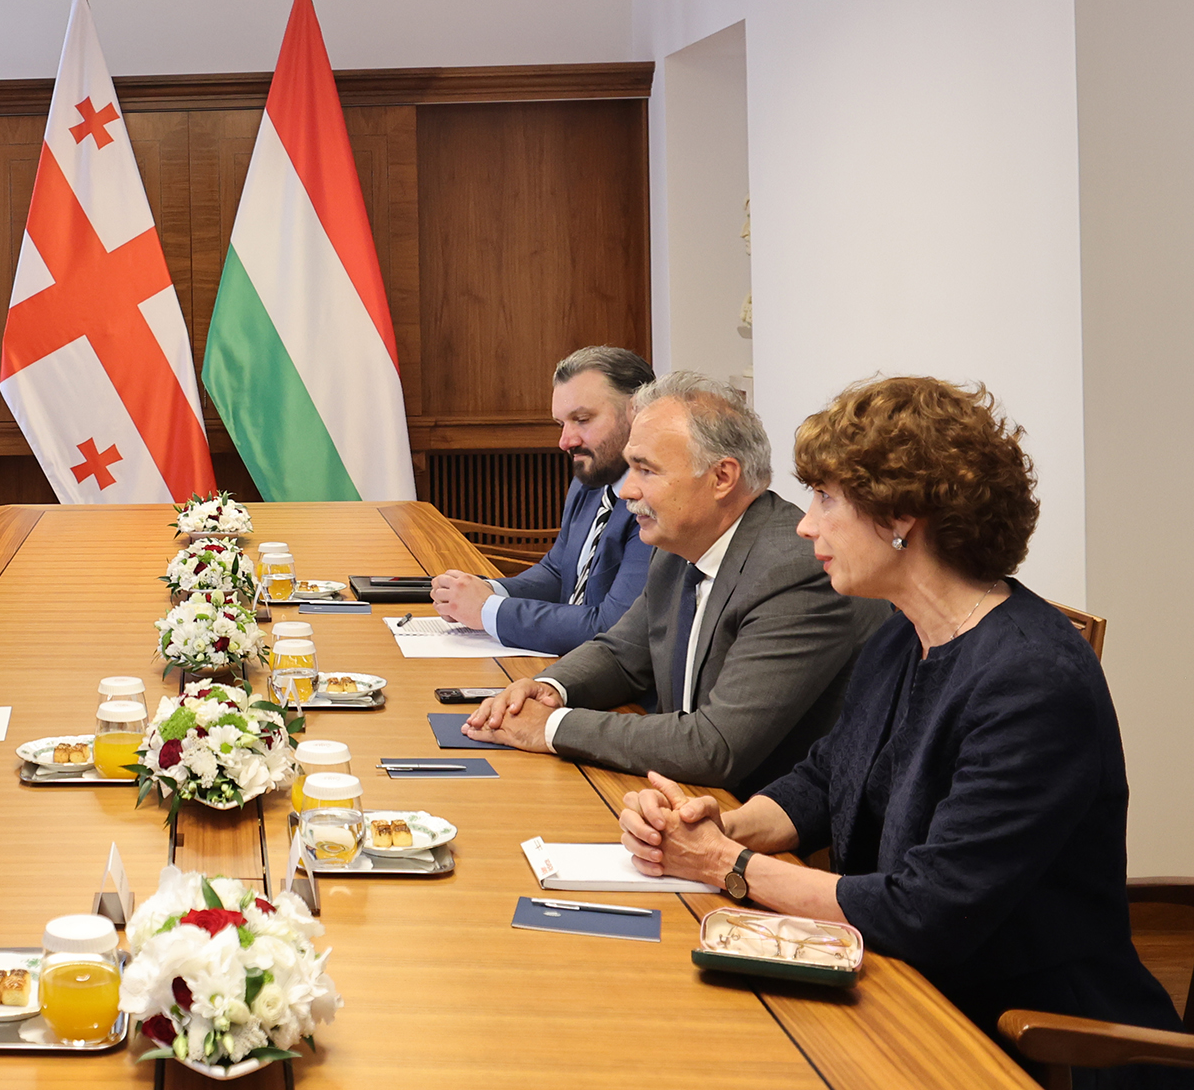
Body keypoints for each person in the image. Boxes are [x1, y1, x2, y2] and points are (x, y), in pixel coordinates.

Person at [617, 378, 1184, 1083]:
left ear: (901, 516)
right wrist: (717, 827)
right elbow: (828, 776)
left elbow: (926, 911)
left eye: (825, 499)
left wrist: (724, 865)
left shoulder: (1032, 680)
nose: (805, 525)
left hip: (1028, 1041)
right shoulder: (901, 634)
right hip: (898, 987)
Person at [463, 371, 885, 794]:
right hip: (684, 798)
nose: (627, 491)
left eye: (646, 470)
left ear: (722, 477)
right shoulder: (677, 545)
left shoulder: (795, 572)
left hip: (762, 815)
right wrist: (549, 688)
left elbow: (714, 746)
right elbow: (622, 653)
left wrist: (552, 727)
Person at [429, 346, 656, 653]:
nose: (565, 442)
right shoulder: (588, 482)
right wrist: (485, 591)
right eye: (561, 424)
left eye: (582, 419)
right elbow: (558, 571)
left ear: (638, 413)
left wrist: (488, 610)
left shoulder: (655, 502)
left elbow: (610, 628)